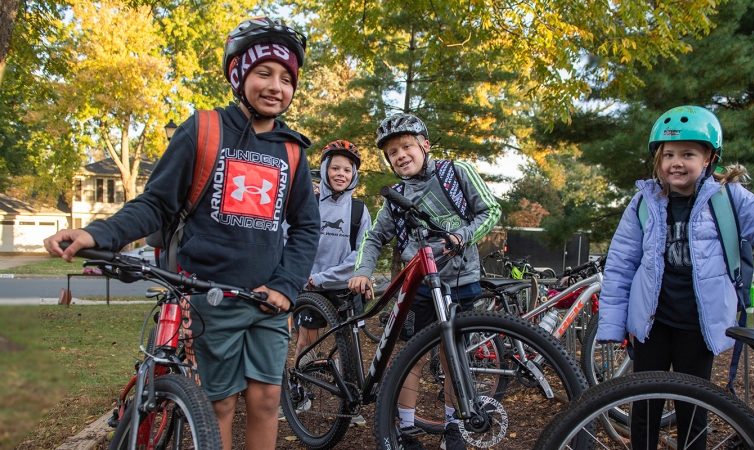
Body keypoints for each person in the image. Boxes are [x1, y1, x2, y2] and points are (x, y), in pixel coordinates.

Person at [43, 17, 320, 450]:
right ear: (238, 73)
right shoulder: (204, 129)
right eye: (264, 72)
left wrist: (286, 285)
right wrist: (99, 234)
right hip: (207, 296)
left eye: (287, 78)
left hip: (267, 301)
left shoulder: (293, 150)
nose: (276, 86)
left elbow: (307, 226)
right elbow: (156, 203)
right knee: (220, 406)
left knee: (267, 400)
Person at [596, 105, 754, 449]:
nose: (677, 162)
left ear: (709, 159)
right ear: (659, 160)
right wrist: (613, 325)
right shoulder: (643, 202)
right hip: (651, 324)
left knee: (695, 407)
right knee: (644, 406)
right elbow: (620, 265)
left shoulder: (728, 198)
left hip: (698, 325)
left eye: (688, 154)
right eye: (669, 154)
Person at [348, 113, 501, 450]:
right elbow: (374, 238)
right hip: (418, 286)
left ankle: (452, 427)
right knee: (411, 356)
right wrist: (361, 270)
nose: (400, 155)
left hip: (460, 282)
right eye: (392, 153)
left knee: (453, 356)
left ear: (425, 145)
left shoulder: (456, 173)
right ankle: (405, 428)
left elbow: (490, 211)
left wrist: (462, 235)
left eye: (406, 146)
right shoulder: (396, 197)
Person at [282, 140, 372, 427]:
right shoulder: (307, 201)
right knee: (306, 342)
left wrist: (323, 277)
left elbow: (361, 254)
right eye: (334, 167)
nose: (340, 173)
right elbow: (289, 238)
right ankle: (300, 393)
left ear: (354, 174)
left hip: (341, 287)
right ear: (324, 169)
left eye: (347, 169)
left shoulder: (358, 210)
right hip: (308, 288)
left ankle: (351, 400)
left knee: (350, 348)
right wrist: (299, 274)